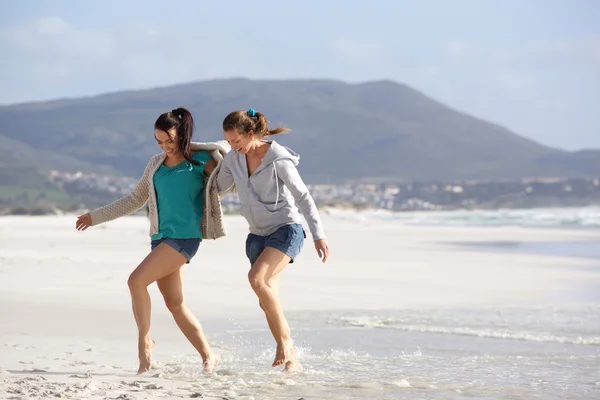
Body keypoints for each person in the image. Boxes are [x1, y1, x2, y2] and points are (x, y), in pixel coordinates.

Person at [75, 107, 231, 375]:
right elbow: (135, 199)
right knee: (175, 304)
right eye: (159, 142)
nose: (165, 147)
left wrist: (234, 152)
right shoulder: (155, 164)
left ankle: (144, 344)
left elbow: (231, 181)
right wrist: (95, 216)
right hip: (160, 239)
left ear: (182, 134)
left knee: (136, 281)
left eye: (169, 140)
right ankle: (209, 356)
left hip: (185, 237)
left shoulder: (202, 160)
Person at [214, 108, 330, 372]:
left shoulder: (278, 159)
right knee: (265, 298)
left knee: (257, 280)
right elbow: (219, 188)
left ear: (251, 133)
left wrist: (318, 234)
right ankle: (293, 361)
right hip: (257, 235)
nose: (233, 146)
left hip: (285, 229)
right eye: (229, 142)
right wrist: (214, 156)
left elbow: (303, 198)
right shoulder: (233, 158)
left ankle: (285, 342)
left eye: (237, 141)